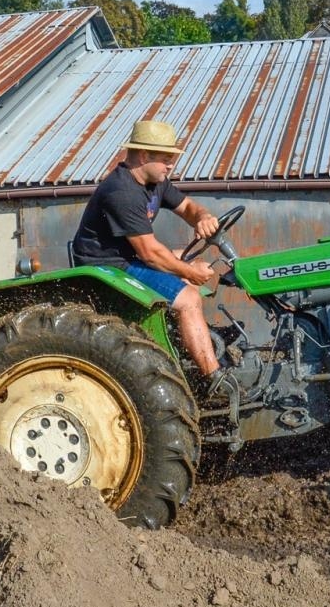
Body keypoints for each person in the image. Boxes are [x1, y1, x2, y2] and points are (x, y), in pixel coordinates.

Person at [70, 119, 233, 399]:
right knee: (189, 298)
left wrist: (204, 217)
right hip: (109, 266)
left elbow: (188, 207)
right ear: (144, 156)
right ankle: (214, 380)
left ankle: (194, 345)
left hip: (128, 255)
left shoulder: (155, 182)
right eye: (166, 159)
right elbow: (149, 253)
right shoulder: (121, 191)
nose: (171, 165)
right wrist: (189, 273)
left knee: (184, 255)